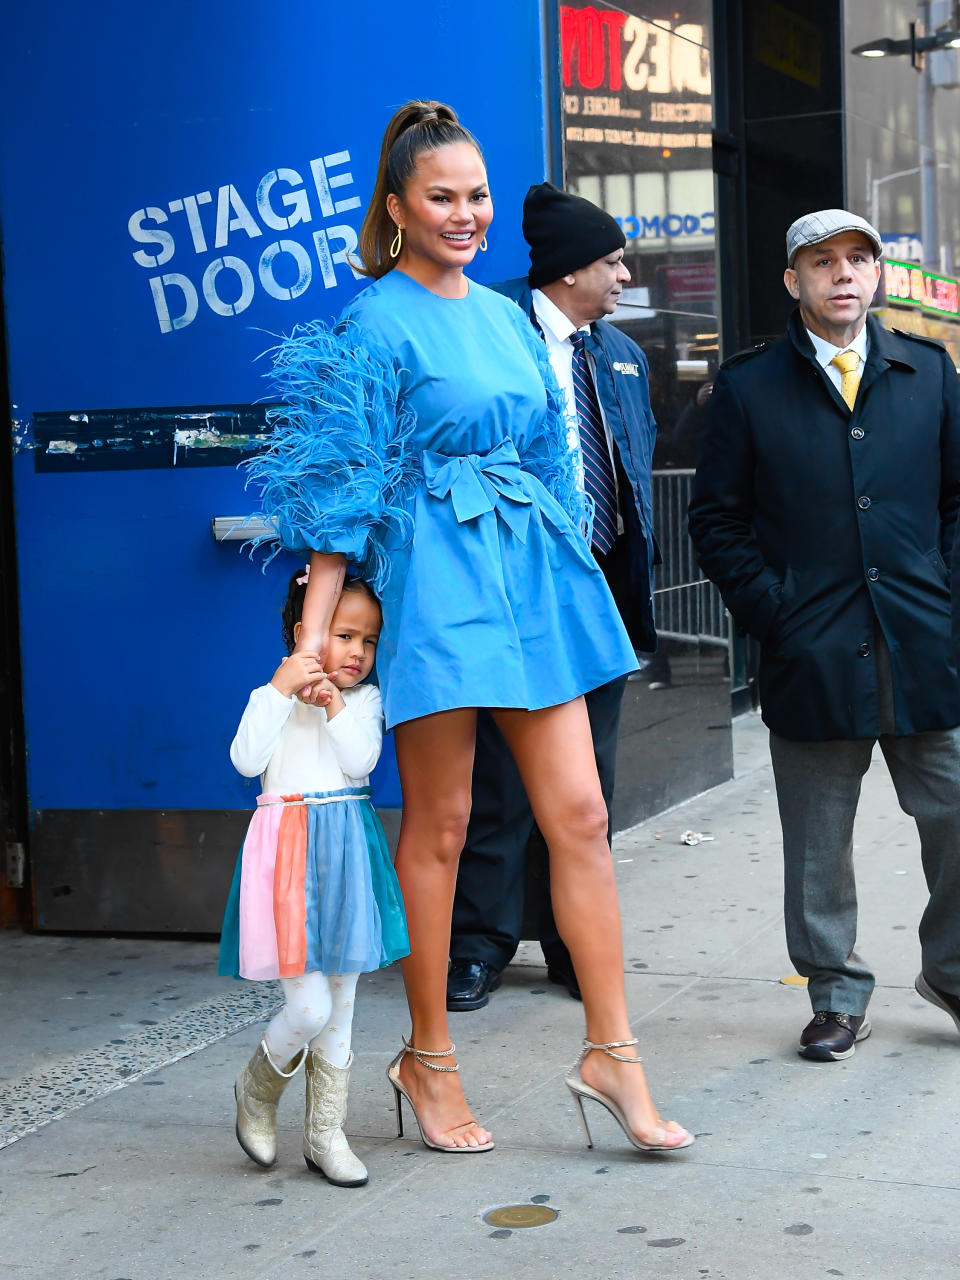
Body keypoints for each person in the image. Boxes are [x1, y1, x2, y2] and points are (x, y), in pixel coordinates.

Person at [246, 101, 693, 1154]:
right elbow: (337, 492)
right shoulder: (371, 320)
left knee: (581, 813)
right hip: (436, 574)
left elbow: (547, 452)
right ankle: (430, 1054)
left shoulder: (504, 316)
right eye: (442, 196)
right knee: (441, 824)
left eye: (477, 195)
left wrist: (570, 561)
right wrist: (314, 639)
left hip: (531, 567)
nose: (466, 213)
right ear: (397, 208)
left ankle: (613, 1052)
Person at [689, 208, 960, 1061]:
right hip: (811, 650)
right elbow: (718, 519)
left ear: (876, 274)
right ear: (792, 281)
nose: (843, 274)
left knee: (956, 816)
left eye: (857, 258)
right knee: (818, 841)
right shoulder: (748, 387)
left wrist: (948, 600)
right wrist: (776, 614)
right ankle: (837, 994)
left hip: (925, 643)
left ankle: (951, 973)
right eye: (821, 261)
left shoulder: (931, 371)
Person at [447, 182, 659, 1013]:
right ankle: (480, 946)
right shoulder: (491, 329)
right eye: (611, 261)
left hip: (597, 587)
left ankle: (572, 940)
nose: (623, 275)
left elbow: (633, 471)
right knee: (499, 775)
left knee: (586, 780)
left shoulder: (619, 352)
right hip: (509, 583)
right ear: (570, 268)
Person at [218, 569, 408, 1183]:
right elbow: (245, 760)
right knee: (309, 1006)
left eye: (369, 641)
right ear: (305, 633)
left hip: (348, 855)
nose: (356, 652)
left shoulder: (365, 702)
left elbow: (361, 760)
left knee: (343, 1003)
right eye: (343, 635)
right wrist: (280, 691)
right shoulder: (268, 696)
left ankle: (326, 1133)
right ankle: (258, 1086)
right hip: (289, 862)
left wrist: (332, 708)